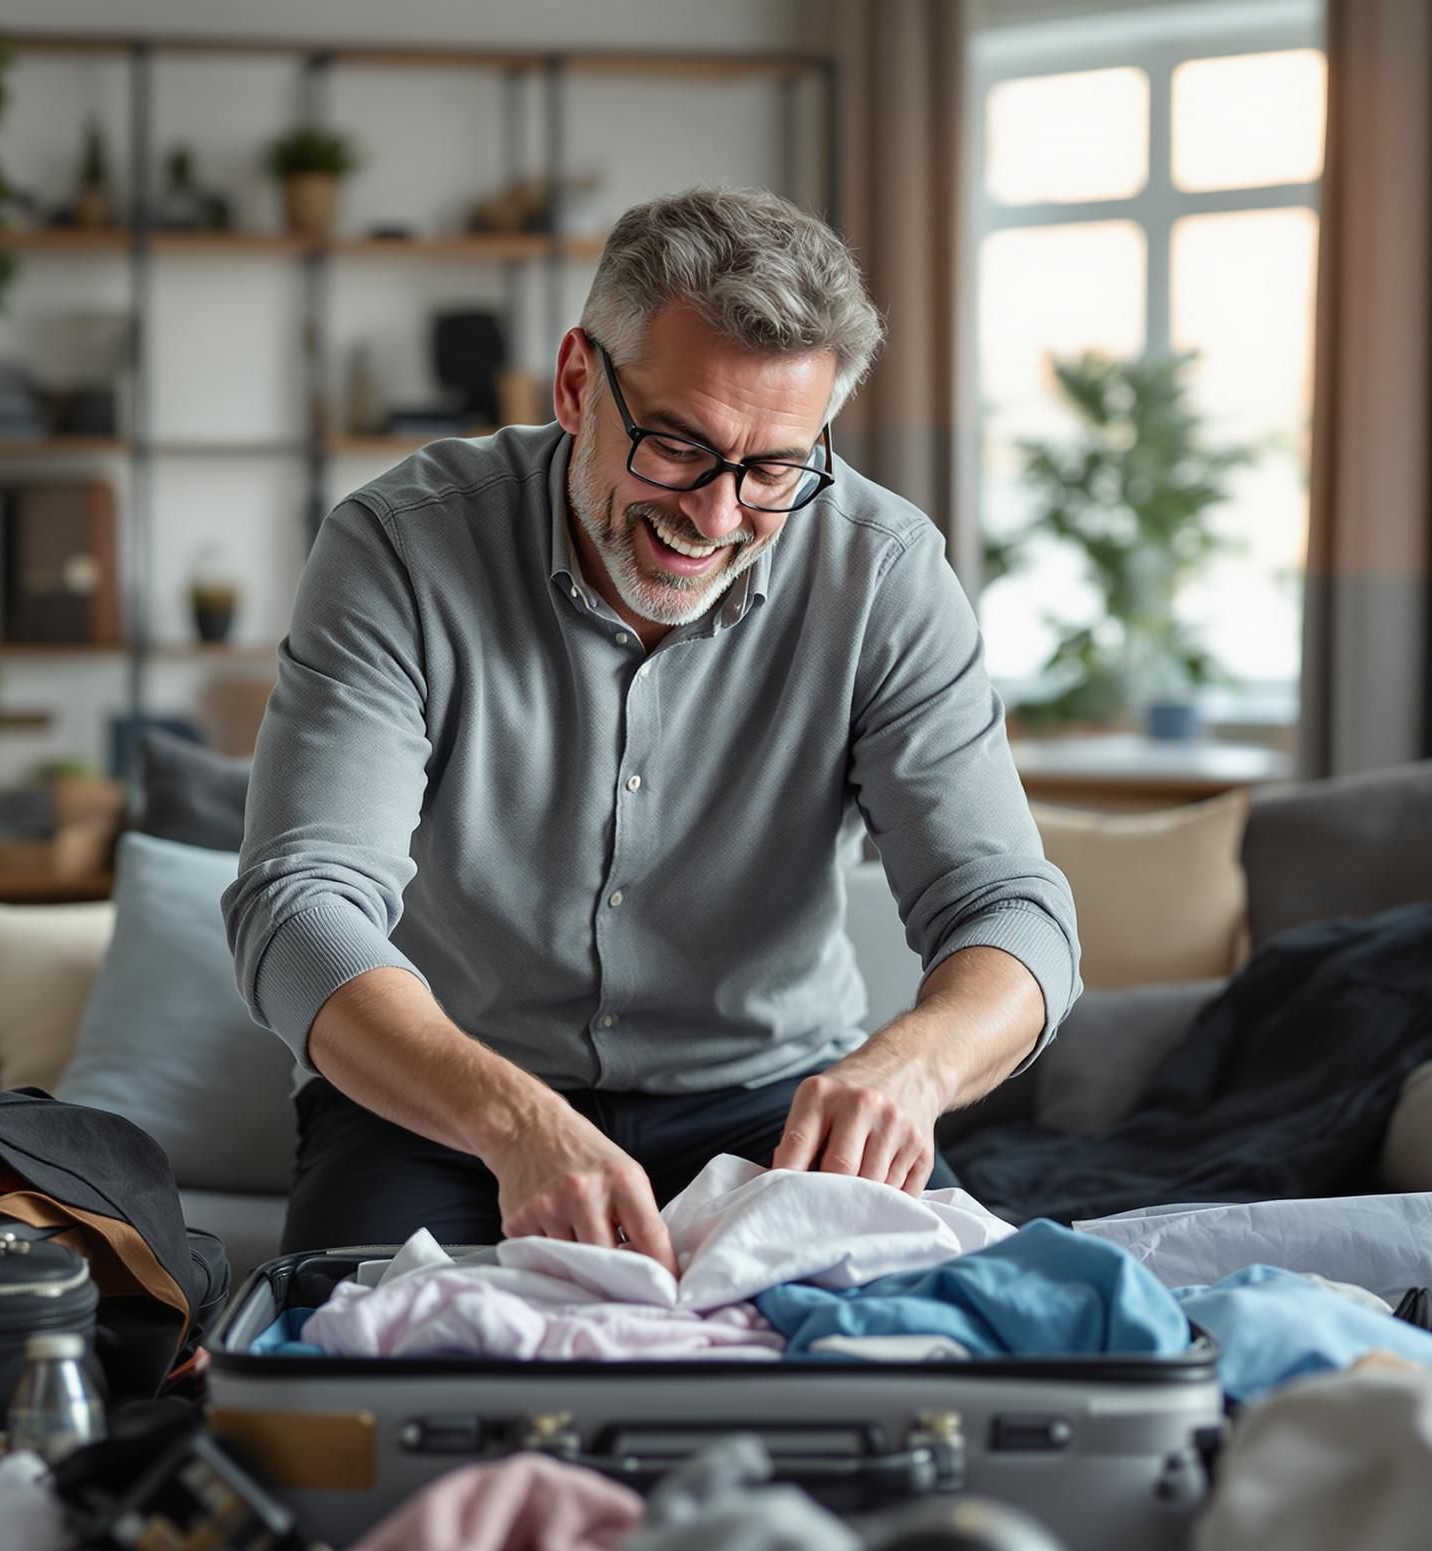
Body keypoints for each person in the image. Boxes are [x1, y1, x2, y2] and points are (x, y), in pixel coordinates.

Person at [224, 186, 1079, 1269]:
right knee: (357, 1392)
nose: (716, 519)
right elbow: (297, 905)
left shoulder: (886, 573)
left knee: (939, 1362)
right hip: (450, 1110)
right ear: (579, 382)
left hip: (770, 1111)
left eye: (774, 469)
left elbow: (1013, 909)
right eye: (677, 446)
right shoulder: (400, 550)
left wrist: (911, 1066)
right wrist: (512, 1121)